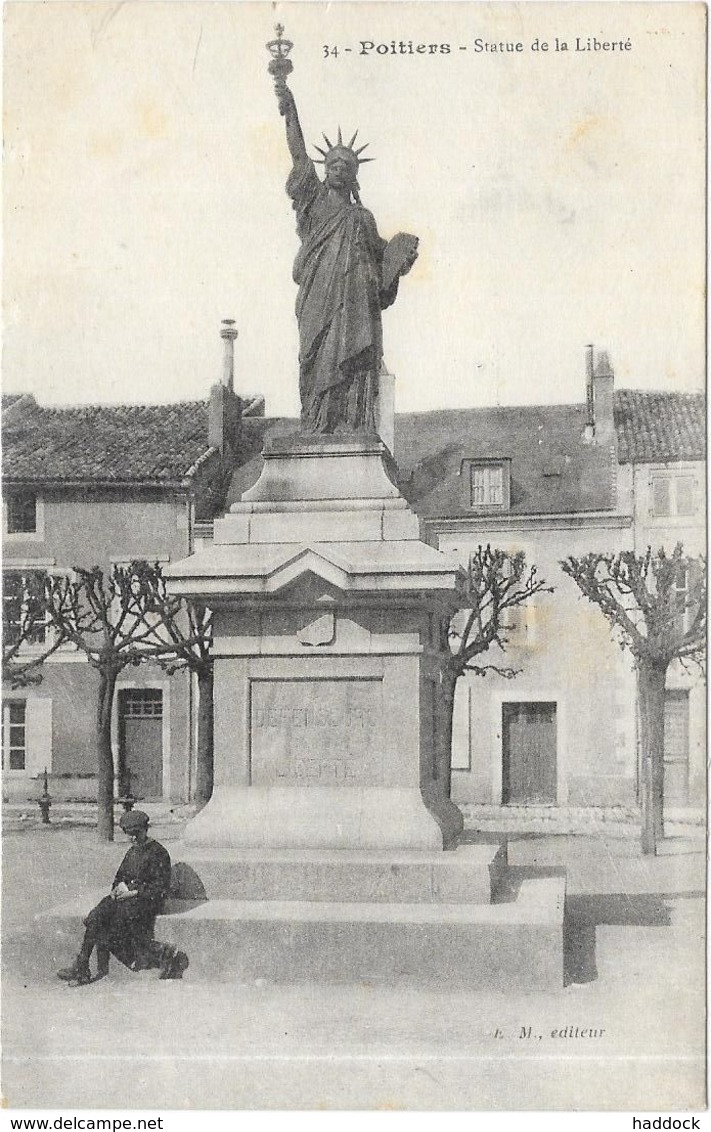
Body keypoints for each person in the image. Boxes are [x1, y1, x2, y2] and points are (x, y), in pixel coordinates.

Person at [275, 79, 418, 434]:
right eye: (333, 163)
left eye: (346, 165)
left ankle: (348, 423)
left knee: (352, 363)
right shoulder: (313, 201)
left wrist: (401, 260)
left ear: (353, 175)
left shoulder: (362, 218)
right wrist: (289, 106)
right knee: (315, 356)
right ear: (325, 169)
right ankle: (315, 422)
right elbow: (296, 153)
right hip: (317, 300)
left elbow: (382, 265)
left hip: (355, 307)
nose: (338, 167)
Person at [56, 810, 188, 987]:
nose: (133, 838)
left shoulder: (158, 852)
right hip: (127, 897)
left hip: (146, 901)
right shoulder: (132, 852)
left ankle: (165, 953)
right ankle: (82, 965)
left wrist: (133, 892)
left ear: (145, 830)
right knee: (95, 916)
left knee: (113, 927)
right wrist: (116, 889)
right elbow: (120, 876)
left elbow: (159, 887)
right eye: (129, 834)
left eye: (136, 833)